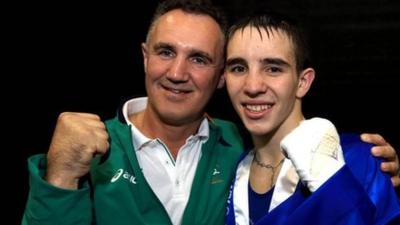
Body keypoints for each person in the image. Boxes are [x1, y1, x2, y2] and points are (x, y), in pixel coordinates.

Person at [22, 1, 399, 225]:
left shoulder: (231, 148)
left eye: (199, 59)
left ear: (217, 77)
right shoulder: (90, 151)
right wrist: (59, 176)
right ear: (144, 57)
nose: (177, 73)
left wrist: (361, 172)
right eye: (166, 52)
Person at [224, 11, 400, 225]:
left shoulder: (358, 159)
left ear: (303, 82)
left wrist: (335, 185)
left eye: (273, 69)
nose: (252, 86)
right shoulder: (229, 172)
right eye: (239, 68)